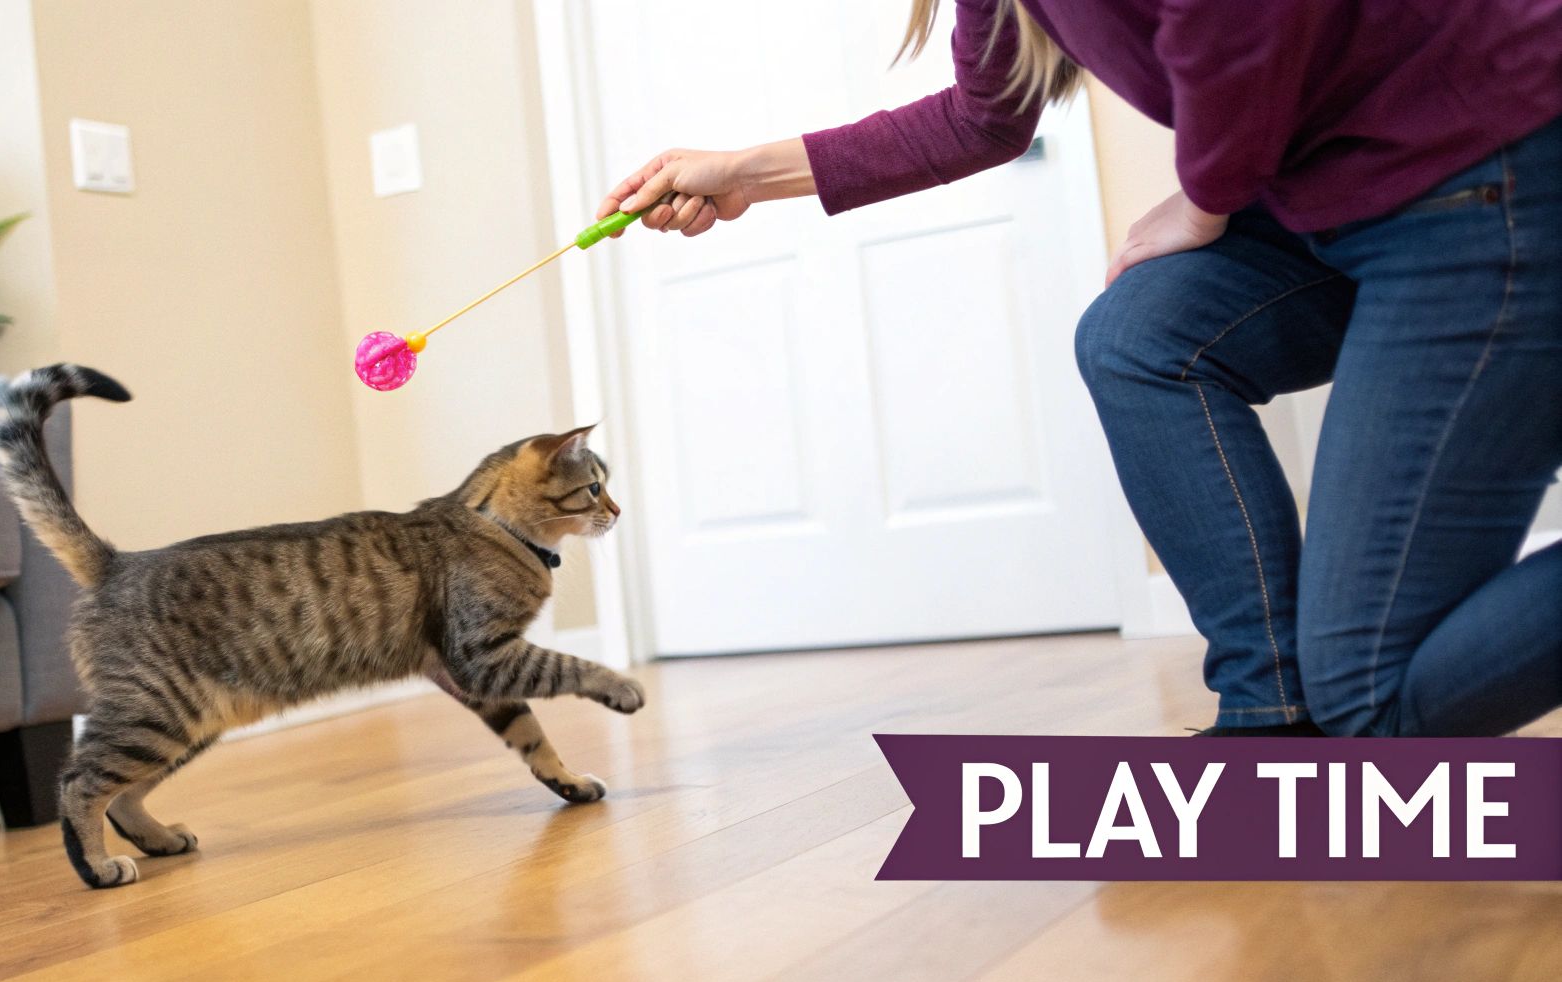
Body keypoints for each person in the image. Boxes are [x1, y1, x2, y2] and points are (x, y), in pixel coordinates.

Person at [596, 0, 1562, 737]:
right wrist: (746, 174)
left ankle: (1327, 715)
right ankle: (1275, 720)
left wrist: (1203, 197)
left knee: (1377, 706)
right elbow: (989, 114)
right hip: (1349, 195)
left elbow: (1235, 21)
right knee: (1142, 338)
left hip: (1486, 168)